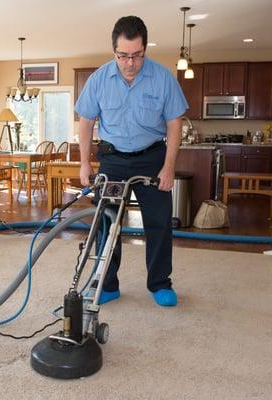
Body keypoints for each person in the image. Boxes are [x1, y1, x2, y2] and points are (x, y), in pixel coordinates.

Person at [75, 15, 187, 307]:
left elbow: (175, 123)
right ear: (114, 51)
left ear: (144, 50)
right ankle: (107, 284)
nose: (129, 63)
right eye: (123, 55)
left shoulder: (163, 78)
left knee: (159, 222)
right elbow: (85, 122)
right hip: (112, 161)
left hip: (152, 158)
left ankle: (160, 283)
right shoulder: (99, 79)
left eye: (137, 55)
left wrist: (169, 165)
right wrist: (85, 163)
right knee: (107, 222)